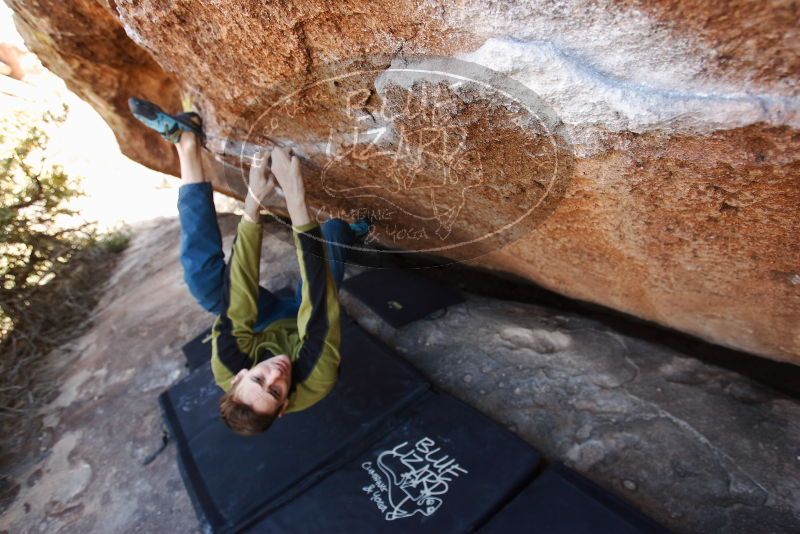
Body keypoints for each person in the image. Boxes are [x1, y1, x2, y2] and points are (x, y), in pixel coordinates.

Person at [128, 98, 370, 436]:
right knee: (330, 235)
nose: (275, 374)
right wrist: (294, 197)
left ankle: (187, 143)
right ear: (284, 406)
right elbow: (318, 302)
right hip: (306, 321)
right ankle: (346, 235)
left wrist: (254, 203)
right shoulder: (317, 379)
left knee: (203, 281)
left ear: (239, 376)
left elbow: (238, 291)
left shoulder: (226, 362)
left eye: (258, 378)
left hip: (262, 319)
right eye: (275, 390)